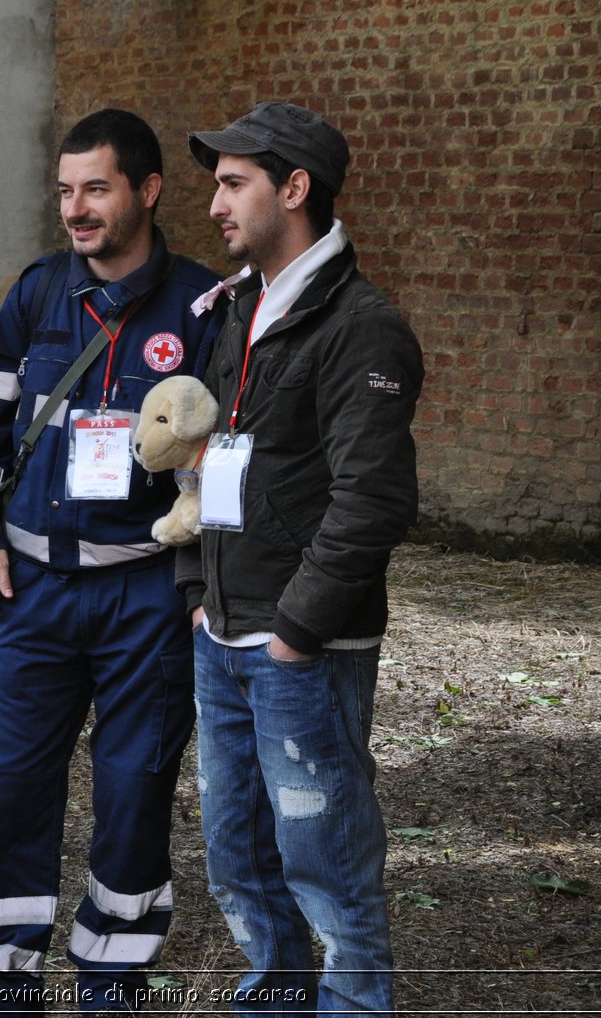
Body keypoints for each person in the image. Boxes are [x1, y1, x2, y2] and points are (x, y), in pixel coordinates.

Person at [0, 109, 222, 1015]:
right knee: (13, 784)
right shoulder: (34, 295)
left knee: (135, 788)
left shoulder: (205, 306)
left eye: (96, 188)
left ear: (146, 191)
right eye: (66, 191)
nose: (76, 209)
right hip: (34, 592)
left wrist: (200, 584)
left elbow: (231, 461)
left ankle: (112, 978)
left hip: (148, 592)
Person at [178, 102, 424, 1015]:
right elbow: (201, 452)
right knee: (237, 855)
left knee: (327, 864)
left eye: (234, 184)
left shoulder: (364, 327)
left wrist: (294, 630)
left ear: (294, 188)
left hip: (301, 649)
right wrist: (195, 593)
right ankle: (276, 997)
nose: (215, 206)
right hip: (222, 632)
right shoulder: (237, 305)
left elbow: (375, 501)